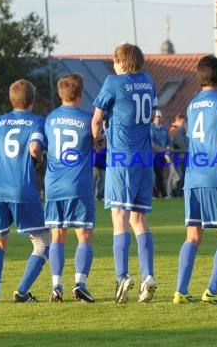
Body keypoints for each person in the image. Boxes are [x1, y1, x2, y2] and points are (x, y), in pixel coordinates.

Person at [0, 79, 49, 303]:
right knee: (43, 242)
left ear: (11, 98)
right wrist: (38, 156)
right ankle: (21, 292)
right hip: (21, 189)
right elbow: (34, 148)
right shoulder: (37, 121)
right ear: (32, 99)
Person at [92, 43, 158, 304]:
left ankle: (122, 278)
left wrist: (97, 140)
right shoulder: (149, 81)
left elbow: (96, 120)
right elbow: (149, 113)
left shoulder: (113, 81)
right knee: (139, 220)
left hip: (121, 159)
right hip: (144, 159)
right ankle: (148, 276)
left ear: (120, 62)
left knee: (119, 219)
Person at [173, 55, 217, 304]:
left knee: (193, 236)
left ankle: (181, 290)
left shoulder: (192, 104)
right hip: (216, 175)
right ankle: (211, 291)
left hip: (193, 177)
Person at [44, 73, 96, 303]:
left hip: (54, 185)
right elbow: (99, 141)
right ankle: (80, 284)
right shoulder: (88, 118)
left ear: (60, 93)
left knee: (57, 235)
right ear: (81, 94)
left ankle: (56, 285)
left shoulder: (50, 118)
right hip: (79, 184)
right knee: (84, 235)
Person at [150, 110, 171, 198]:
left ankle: (161, 194)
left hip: (162, 155)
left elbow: (168, 140)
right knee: (154, 175)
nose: (158, 118)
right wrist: (161, 149)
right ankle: (158, 194)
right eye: (156, 116)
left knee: (160, 174)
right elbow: (151, 143)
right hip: (153, 155)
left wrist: (168, 147)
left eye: (159, 116)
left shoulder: (164, 128)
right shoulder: (150, 128)